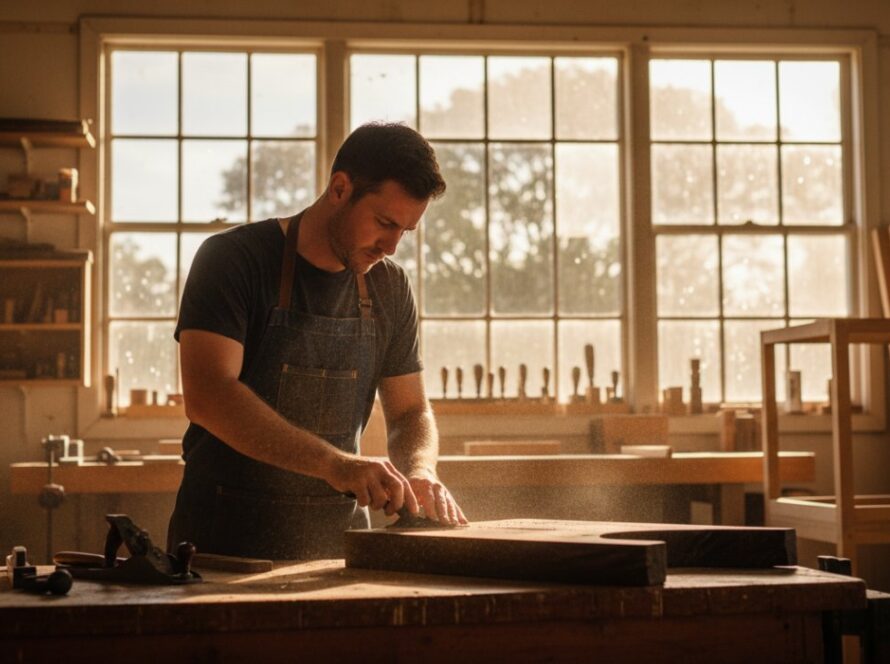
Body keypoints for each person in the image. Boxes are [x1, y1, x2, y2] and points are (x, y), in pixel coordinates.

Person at [167, 122, 467, 560]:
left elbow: (410, 411)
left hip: (338, 548)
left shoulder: (389, 287)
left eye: (405, 231)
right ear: (340, 188)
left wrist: (420, 469)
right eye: (384, 223)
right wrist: (335, 464)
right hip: (222, 546)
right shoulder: (233, 260)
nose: (391, 246)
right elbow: (209, 395)